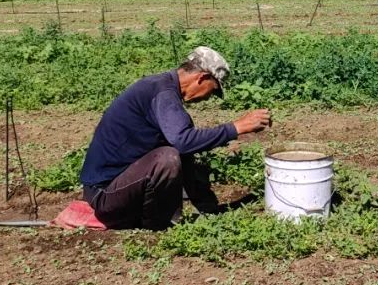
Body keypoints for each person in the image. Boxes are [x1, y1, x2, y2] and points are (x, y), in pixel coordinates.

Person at [79, 46, 271, 230]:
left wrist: (206, 207)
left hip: (115, 187)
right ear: (202, 78)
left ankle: (182, 213)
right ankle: (159, 225)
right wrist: (236, 128)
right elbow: (183, 141)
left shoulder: (162, 87)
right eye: (212, 91)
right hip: (104, 195)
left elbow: (185, 145)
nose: (208, 97)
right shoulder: (163, 93)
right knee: (167, 157)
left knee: (178, 148)